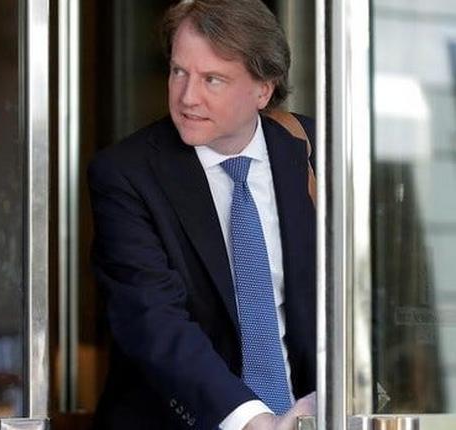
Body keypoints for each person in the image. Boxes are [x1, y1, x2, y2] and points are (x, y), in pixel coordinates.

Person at [88, 0, 316, 429]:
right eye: (178, 72)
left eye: (213, 79)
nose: (187, 97)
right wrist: (253, 420)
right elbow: (152, 320)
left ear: (263, 89)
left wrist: (328, 401)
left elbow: (366, 294)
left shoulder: (317, 151)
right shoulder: (126, 174)